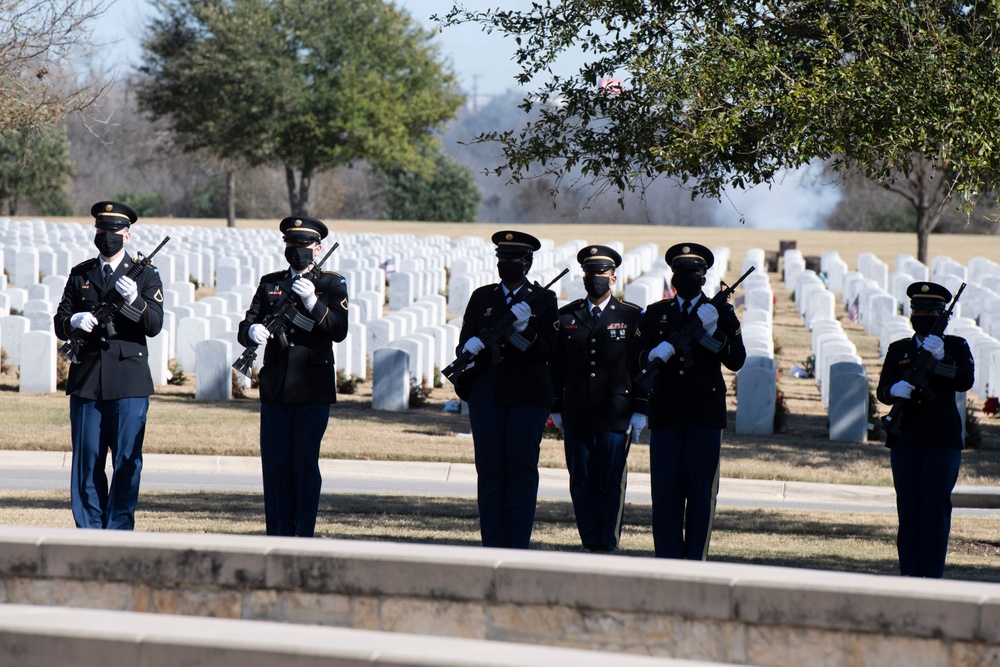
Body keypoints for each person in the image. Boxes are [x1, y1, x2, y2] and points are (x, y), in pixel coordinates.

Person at [627, 243, 746, 559]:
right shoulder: (656, 314)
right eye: (681, 271)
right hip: (665, 413)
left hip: (704, 415)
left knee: (700, 491)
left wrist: (712, 332)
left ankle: (695, 559)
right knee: (665, 492)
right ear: (672, 276)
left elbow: (737, 359)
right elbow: (632, 359)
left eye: (693, 271)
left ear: (704, 276)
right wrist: (650, 354)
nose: (687, 276)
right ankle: (666, 558)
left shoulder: (720, 312)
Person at [53, 201, 164, 530]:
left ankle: (118, 529)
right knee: (87, 460)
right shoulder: (81, 273)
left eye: (114, 231)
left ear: (127, 236)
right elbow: (60, 320)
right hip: (87, 379)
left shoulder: (146, 275)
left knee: (127, 462)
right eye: (102, 230)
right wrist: (75, 319)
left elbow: (154, 324)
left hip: (128, 381)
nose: (108, 236)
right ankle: (88, 527)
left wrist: (134, 301)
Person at [237, 216, 349, 537]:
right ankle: (277, 534)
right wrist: (252, 331)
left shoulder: (331, 284)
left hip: (312, 387)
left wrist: (313, 301)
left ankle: (303, 535)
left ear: (318, 248)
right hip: (275, 387)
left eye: (304, 245)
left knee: (303, 466)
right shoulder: (271, 283)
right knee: (275, 467)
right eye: (292, 244)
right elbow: (247, 325)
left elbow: (338, 330)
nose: (298, 250)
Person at [456, 230, 559, 549]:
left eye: (513, 259)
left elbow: (547, 352)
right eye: (502, 258)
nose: (506, 265)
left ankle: (517, 544)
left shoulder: (544, 300)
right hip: (487, 393)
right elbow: (465, 344)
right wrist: (468, 347)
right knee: (489, 471)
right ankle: (493, 542)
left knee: (521, 471)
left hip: (527, 396)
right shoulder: (482, 297)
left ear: (527, 263)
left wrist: (523, 330)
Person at [550, 244, 646, 552]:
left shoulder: (631, 317)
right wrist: (557, 408)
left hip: (615, 413)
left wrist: (640, 410)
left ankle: (608, 541)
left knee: (612, 481)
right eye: (590, 274)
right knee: (581, 481)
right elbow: (556, 366)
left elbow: (641, 366)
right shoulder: (567, 317)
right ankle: (589, 539)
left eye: (601, 274)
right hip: (577, 412)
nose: (595, 279)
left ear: (614, 279)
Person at [876, 281, 974, 578]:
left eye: (929, 311)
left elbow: (965, 381)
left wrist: (943, 358)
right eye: (918, 310)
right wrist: (895, 390)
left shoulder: (956, 346)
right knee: (909, 512)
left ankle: (932, 578)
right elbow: (882, 391)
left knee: (934, 511)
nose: (922, 315)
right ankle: (909, 576)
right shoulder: (899, 349)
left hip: (941, 442)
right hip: (905, 438)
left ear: (941, 314)